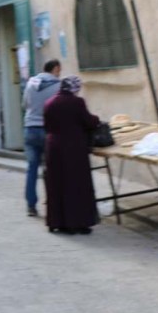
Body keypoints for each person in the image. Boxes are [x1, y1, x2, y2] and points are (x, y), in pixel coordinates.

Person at [43, 75, 100, 235]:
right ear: (74, 88)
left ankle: (57, 221)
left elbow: (47, 125)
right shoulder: (77, 102)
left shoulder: (49, 103)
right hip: (73, 149)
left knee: (57, 184)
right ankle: (78, 223)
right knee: (76, 185)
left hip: (53, 148)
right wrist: (97, 120)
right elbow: (88, 121)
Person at [22, 58, 62, 217]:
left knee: (32, 169)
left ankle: (31, 206)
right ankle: (52, 203)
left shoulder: (31, 83)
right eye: (60, 70)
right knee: (50, 169)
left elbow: (24, 105)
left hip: (30, 129)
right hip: (47, 131)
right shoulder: (58, 86)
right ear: (56, 69)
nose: (60, 73)